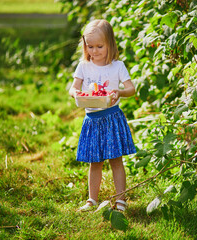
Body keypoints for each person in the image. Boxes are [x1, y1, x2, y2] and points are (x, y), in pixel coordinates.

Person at [69, 19, 136, 212]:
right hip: (92, 120)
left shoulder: (117, 66)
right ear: (85, 46)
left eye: (100, 46)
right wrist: (77, 94)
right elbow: (73, 88)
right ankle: (92, 200)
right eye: (90, 46)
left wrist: (119, 93)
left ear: (110, 44)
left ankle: (121, 200)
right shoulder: (83, 66)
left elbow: (131, 89)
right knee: (95, 161)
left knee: (116, 160)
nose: (95, 51)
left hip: (112, 117)